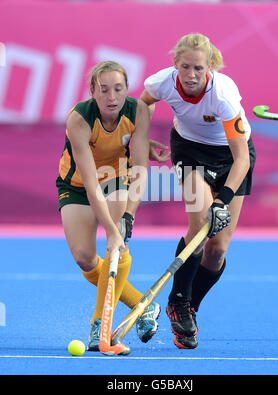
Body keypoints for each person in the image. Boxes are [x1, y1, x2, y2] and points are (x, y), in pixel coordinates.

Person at [141, 33, 256, 349]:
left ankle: (190, 305)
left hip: (232, 157)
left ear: (211, 67)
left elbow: (242, 158)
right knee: (200, 226)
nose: (191, 75)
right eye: (185, 67)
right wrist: (144, 139)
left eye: (199, 69)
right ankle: (177, 301)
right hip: (190, 152)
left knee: (217, 249)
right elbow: (143, 104)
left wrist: (224, 199)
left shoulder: (223, 97)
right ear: (175, 63)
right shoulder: (163, 82)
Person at [56, 60, 168, 351]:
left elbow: (140, 166)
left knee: (117, 247)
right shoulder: (79, 119)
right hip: (79, 184)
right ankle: (143, 306)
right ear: (92, 90)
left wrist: (127, 216)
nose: (112, 97)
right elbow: (92, 182)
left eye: (118, 89)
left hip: (117, 177)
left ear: (126, 89)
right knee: (85, 259)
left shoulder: (138, 110)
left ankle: (98, 327)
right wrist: (110, 228)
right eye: (104, 90)